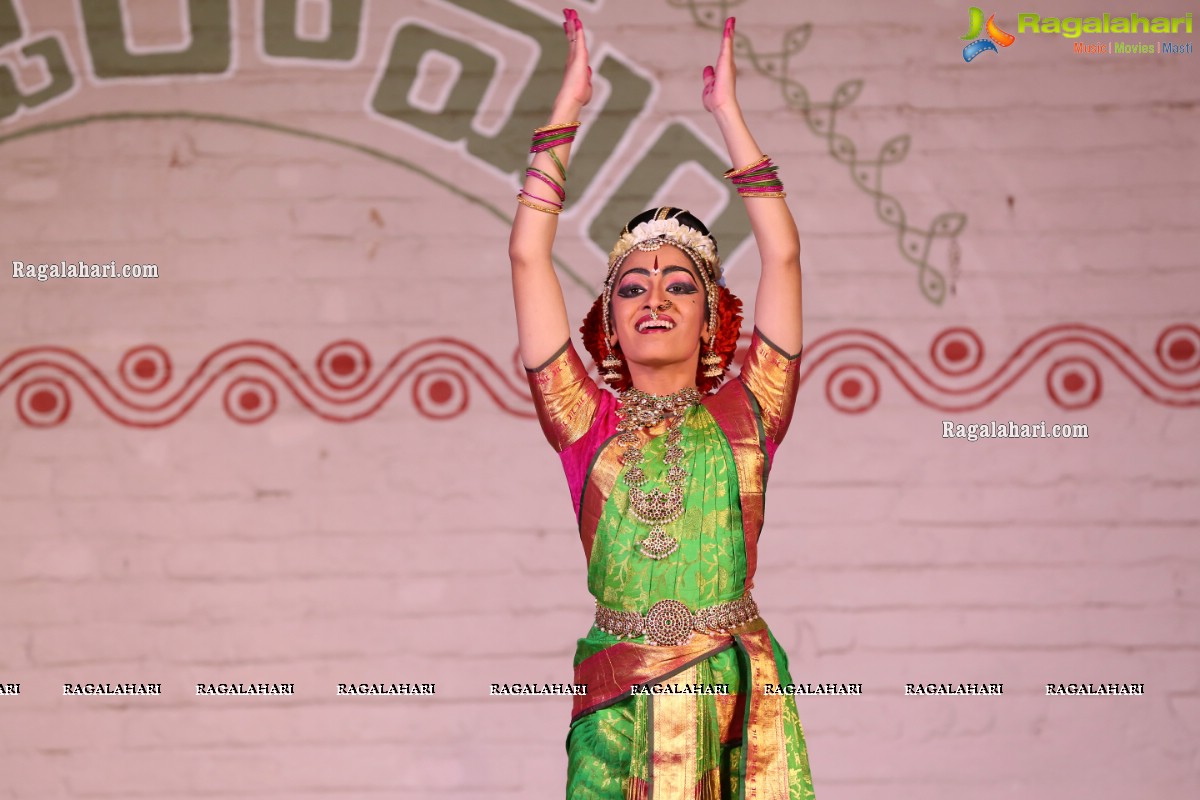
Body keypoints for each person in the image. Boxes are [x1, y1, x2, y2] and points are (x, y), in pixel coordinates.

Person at [509, 8, 814, 799]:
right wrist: (566, 109)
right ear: (607, 319)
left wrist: (731, 119)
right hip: (617, 700)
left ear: (713, 316)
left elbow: (783, 252)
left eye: (680, 285)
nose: (655, 299)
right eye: (631, 287)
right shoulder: (583, 422)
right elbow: (525, 254)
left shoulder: (752, 413)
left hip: (742, 698)